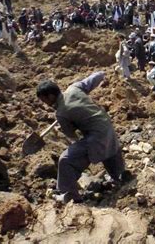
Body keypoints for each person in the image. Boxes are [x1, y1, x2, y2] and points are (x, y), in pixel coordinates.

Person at [36, 71, 128, 203]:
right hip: (107, 127)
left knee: (65, 160)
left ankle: (70, 194)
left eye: (44, 100)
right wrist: (102, 74)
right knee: (108, 150)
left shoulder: (61, 113)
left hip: (96, 136)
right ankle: (120, 177)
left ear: (50, 96)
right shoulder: (74, 88)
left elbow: (72, 136)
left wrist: (68, 125)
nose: (44, 103)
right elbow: (95, 77)